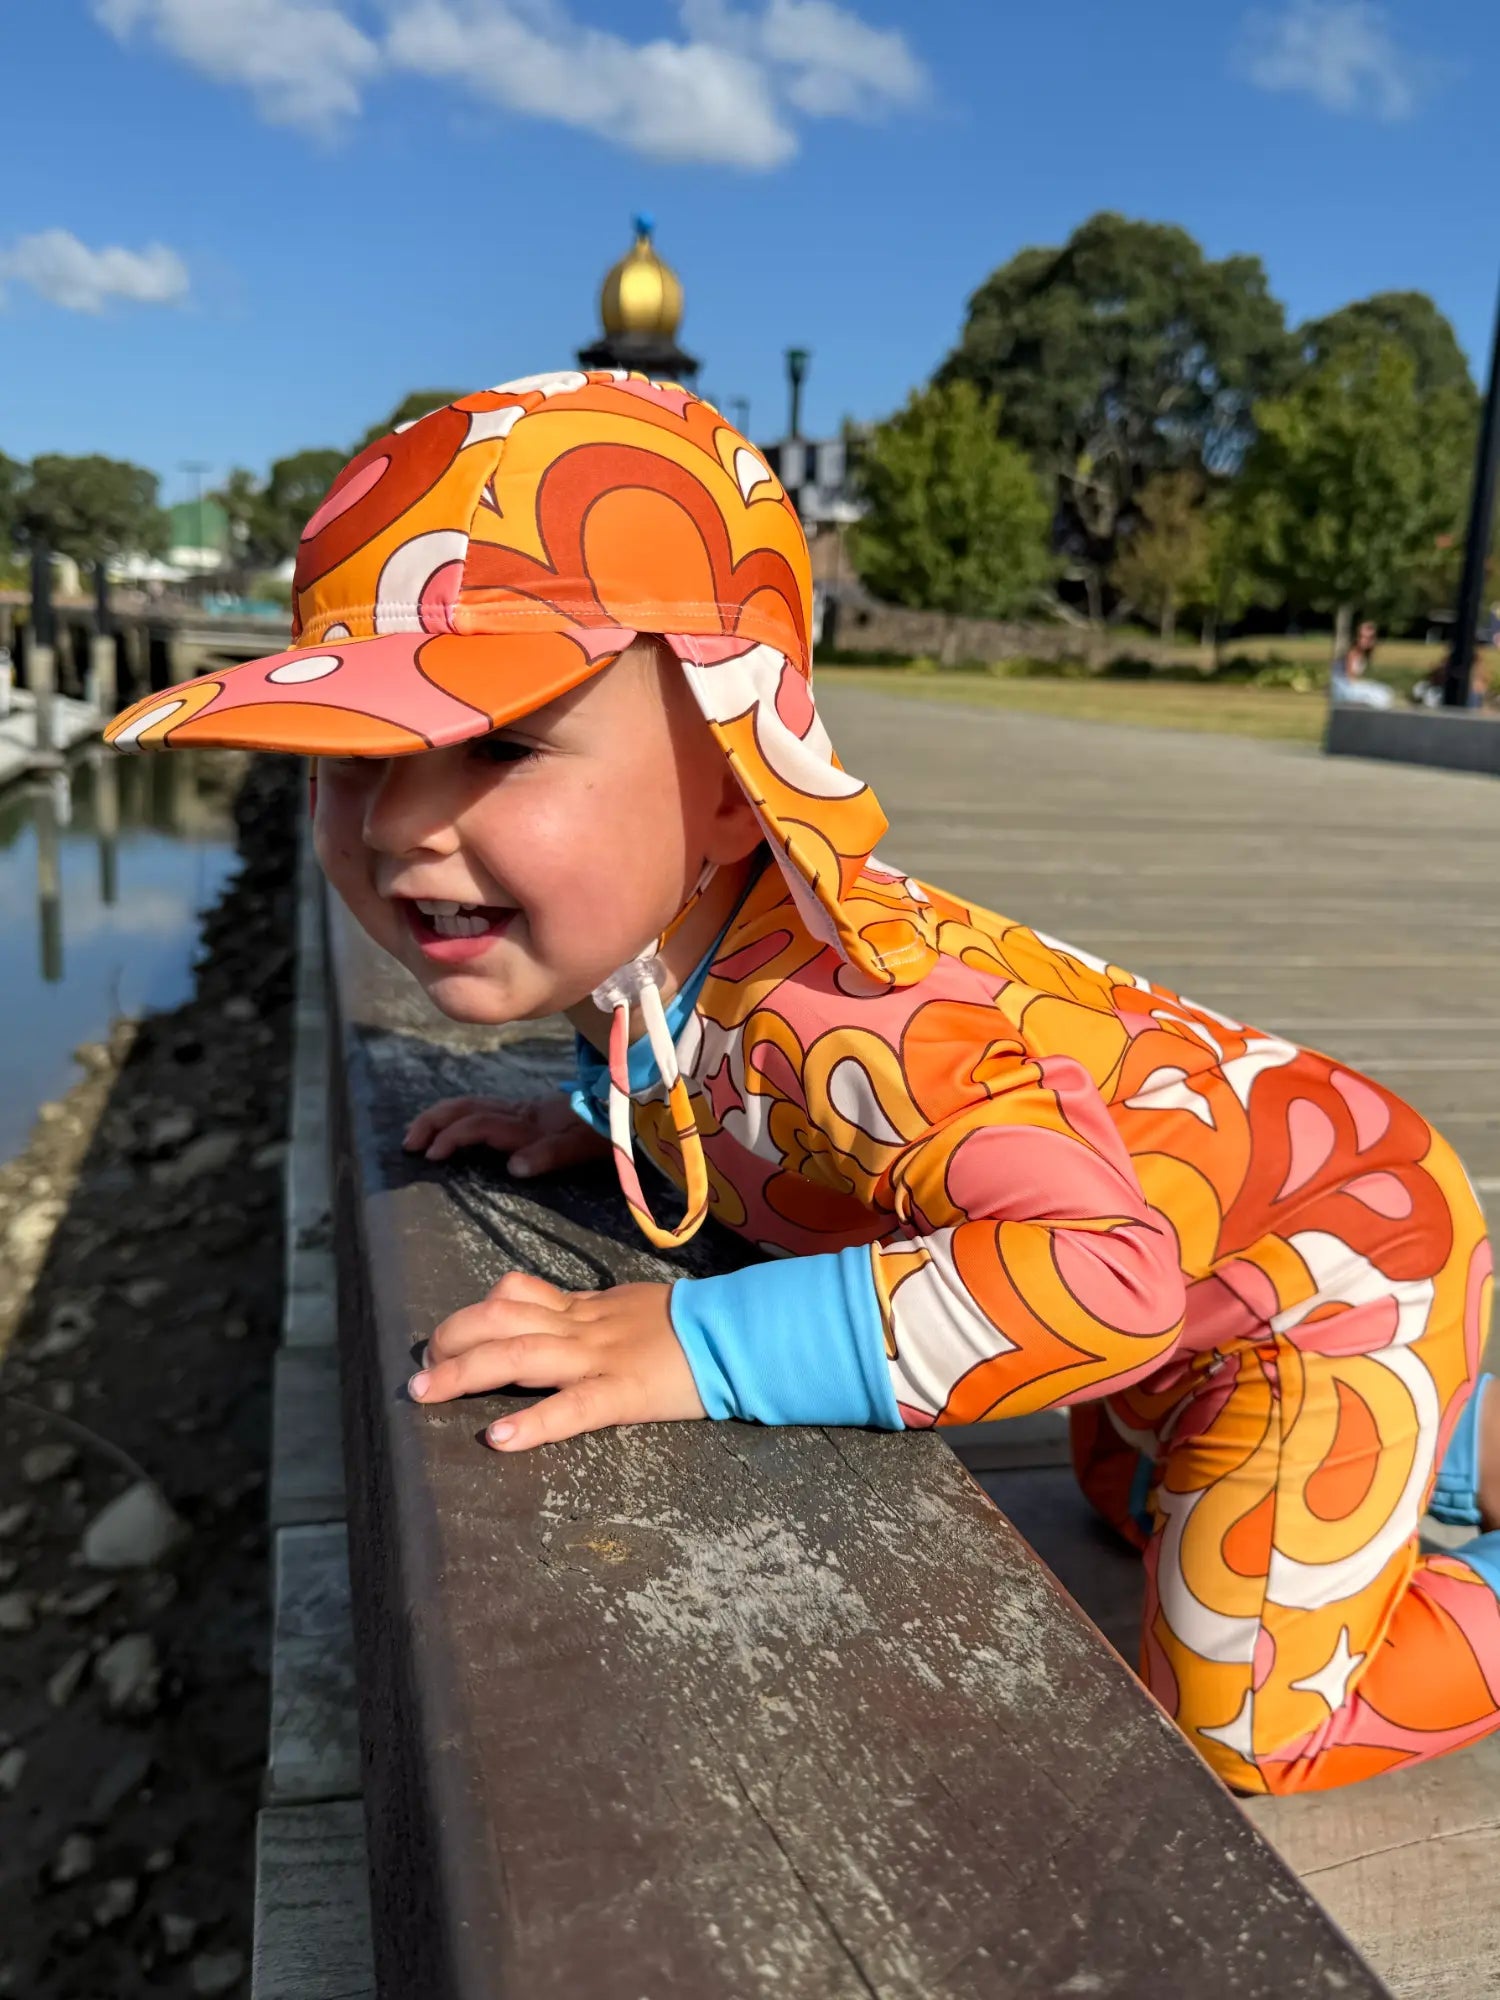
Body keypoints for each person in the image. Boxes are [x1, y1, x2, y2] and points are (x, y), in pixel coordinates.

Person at [105, 372, 1498, 1799]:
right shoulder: (647, 946)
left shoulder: (864, 1023)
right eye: (352, 757)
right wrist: (594, 1123)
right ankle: (1447, 1444)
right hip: (1205, 1265)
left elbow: (1105, 1282)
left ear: (729, 778)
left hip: (1332, 1256)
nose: (398, 825)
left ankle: (1438, 1446)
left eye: (501, 746)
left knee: (1241, 1725)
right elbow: (687, 1066)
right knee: (1124, 1501)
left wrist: (700, 1347)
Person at [1330, 619, 1394, 709]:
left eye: (1370, 638)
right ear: (1357, 637)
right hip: (1341, 688)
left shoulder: (1363, 655)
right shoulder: (1352, 653)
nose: (1366, 641)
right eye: (1362, 637)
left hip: (1346, 686)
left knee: (1385, 692)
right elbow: (1350, 679)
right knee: (1382, 694)